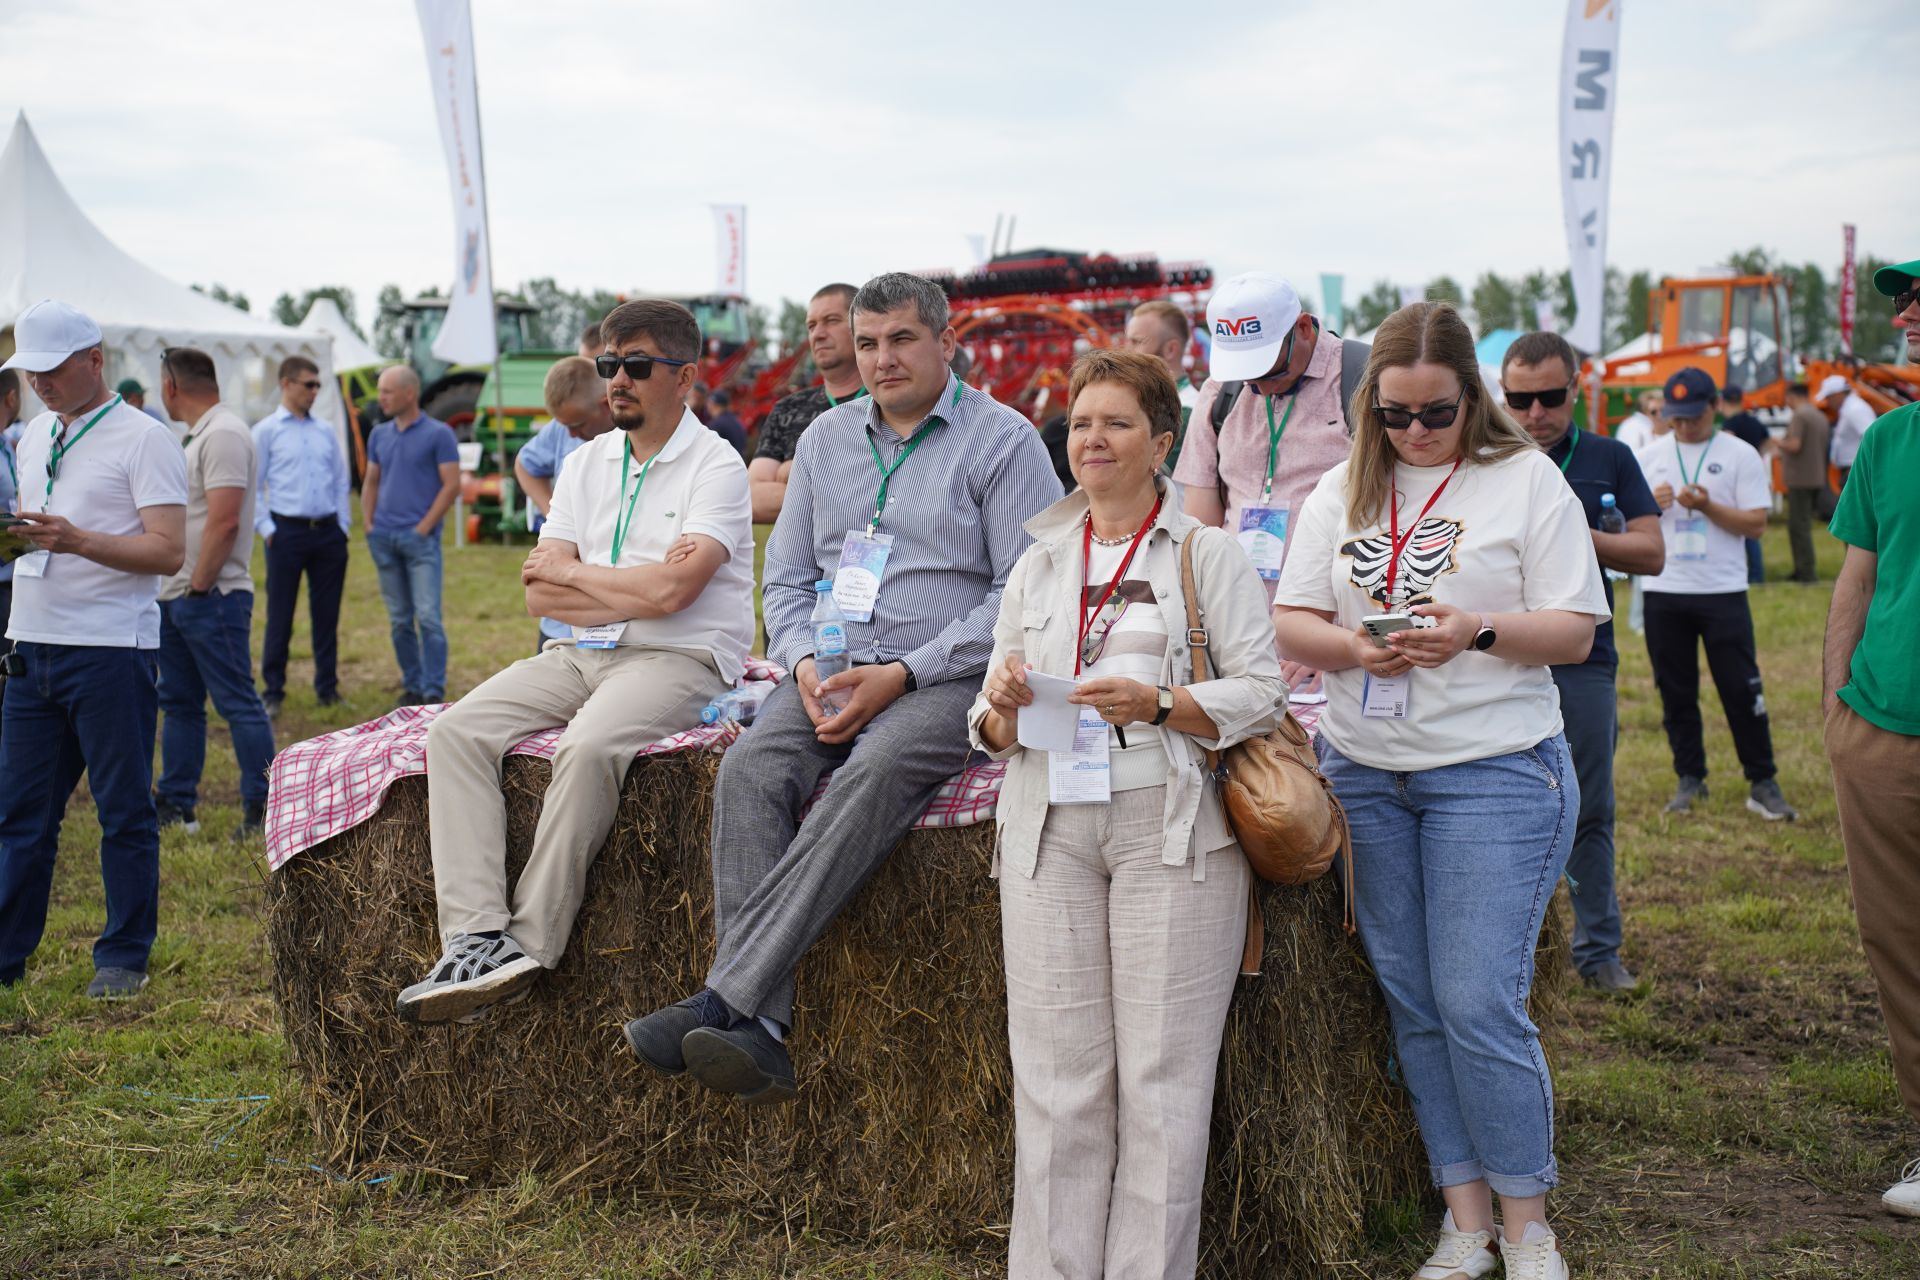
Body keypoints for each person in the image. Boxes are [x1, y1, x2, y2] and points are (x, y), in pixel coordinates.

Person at [622, 271, 1060, 1103]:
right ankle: (764, 1030)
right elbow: (784, 580)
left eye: (901, 339)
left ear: (946, 342)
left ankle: (726, 997)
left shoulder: (1004, 441)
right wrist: (802, 663)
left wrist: (902, 673)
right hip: (826, 665)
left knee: (877, 767)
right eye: (868, 343)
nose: (883, 358)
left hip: (947, 671)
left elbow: (1022, 593)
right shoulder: (824, 441)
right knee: (752, 771)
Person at [1272, 301, 1606, 1280]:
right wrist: (1356, 644)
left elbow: (1576, 630)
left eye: (1437, 412)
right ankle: (1464, 1218)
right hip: (1367, 771)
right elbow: (1292, 618)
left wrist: (1475, 631)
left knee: (1475, 996)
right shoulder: (1338, 490)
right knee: (1414, 998)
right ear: (1368, 404)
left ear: (1476, 397)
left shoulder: (1527, 482)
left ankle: (1529, 1221)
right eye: (1395, 413)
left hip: (1496, 770)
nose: (1415, 431)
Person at [969, 349, 1284, 1277]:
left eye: (1115, 422)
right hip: (1046, 824)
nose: (1093, 439)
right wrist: (1001, 711)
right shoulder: (1038, 561)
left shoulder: (1203, 553)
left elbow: (1261, 691)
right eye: (1079, 423)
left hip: (1169, 823)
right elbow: (984, 714)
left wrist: (1156, 706)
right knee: (1059, 1083)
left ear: (1162, 441)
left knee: (1160, 1085)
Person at [396, 299, 755, 1023]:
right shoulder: (588, 460)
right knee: (455, 731)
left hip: (681, 657)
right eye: (608, 364)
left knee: (588, 746)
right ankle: (472, 936)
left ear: (684, 377)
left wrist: (584, 577)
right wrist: (632, 587)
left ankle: (528, 946)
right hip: (579, 650)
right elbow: (540, 596)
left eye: (637, 366)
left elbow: (676, 592)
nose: (616, 379)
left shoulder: (717, 465)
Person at [0, 300, 187, 998]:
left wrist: (77, 540)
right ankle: (7, 955)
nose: (40, 384)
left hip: (110, 650)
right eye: (29, 372)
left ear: (95, 360)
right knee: (20, 815)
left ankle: (123, 956)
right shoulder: (31, 434)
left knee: (123, 811)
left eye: (51, 370)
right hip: (32, 645)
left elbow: (169, 551)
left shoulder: (144, 438)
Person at [1503, 331, 1665, 995]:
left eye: (1549, 397)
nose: (1535, 413)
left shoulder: (1608, 456)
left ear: (1576, 387)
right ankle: (1516, 953)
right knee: (1499, 808)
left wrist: (1575, 530)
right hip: (1499, 657)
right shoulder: (1487, 460)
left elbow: (1652, 552)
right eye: (1519, 399)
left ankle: (1598, 951)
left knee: (1589, 806)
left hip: (1584, 659)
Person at [1823, 254, 1920, 1218]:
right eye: (1904, 303)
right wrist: (1835, 714)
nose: (1908, 319)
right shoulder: (1891, 440)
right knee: (1902, 941)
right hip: (1884, 732)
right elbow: (1855, 579)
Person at [1172, 272, 1364, 704]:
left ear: (1303, 328)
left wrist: (1334, 641)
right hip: (1240, 642)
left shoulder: (1362, 380)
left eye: (1269, 369)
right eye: (1247, 375)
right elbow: (1199, 531)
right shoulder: (1221, 392)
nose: (1259, 386)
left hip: (1337, 645)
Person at [1635, 367, 1796, 821]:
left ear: (1713, 407)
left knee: (1742, 689)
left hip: (1722, 590)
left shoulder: (1740, 454)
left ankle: (1762, 780)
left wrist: (1707, 505)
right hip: (1665, 589)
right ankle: (1690, 778)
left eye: (1693, 417)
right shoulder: (1648, 456)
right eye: (1676, 418)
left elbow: (1756, 525)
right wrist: (1652, 504)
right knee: (1675, 690)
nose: (1684, 426)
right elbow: (1628, 522)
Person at [151, 347, 277, 840]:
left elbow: (224, 520)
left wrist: (199, 586)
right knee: (180, 703)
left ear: (170, 387)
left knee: (236, 703)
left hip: (210, 594)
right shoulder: (205, 433)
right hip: (185, 593)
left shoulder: (222, 433)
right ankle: (177, 803)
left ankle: (264, 807)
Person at [254, 355, 351, 718]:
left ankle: (327, 687)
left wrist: (343, 526)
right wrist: (267, 529)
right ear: (286, 383)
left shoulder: (325, 430)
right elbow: (254, 486)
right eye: (308, 384)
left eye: (317, 385)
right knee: (281, 613)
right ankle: (273, 690)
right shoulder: (266, 431)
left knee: (327, 615)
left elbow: (341, 480)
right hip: (286, 533)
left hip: (327, 533)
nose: (314, 391)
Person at [362, 367, 461, 708]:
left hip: (419, 541)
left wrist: (424, 527)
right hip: (383, 538)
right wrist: (369, 523)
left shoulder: (439, 434)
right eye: (381, 391)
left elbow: (452, 485)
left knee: (428, 616)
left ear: (409, 394)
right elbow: (371, 480)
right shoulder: (379, 435)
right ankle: (411, 684)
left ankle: (433, 689)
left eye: (387, 391)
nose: (381, 398)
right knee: (399, 619)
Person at [516, 356, 617, 652]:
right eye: (564, 426)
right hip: (559, 624)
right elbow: (525, 464)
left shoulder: (634, 438)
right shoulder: (562, 429)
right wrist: (554, 516)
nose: (570, 434)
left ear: (605, 403)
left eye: (577, 424)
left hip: (610, 618)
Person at [748, 283, 862, 524]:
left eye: (831, 321)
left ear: (862, 325)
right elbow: (752, 500)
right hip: (801, 561)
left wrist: (792, 473)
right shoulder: (788, 409)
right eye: (811, 325)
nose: (818, 334)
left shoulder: (886, 402)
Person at [1122, 299, 1199, 465]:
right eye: (1127, 341)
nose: (1126, 350)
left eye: (1137, 342)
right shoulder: (1165, 403)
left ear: (1170, 349)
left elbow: (1129, 481)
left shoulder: (1186, 411)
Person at [1778, 382, 1831, 585]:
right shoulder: (1818, 415)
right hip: (1816, 476)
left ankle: (1806, 573)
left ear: (1792, 396)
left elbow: (1794, 444)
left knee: (1798, 527)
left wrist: (1777, 443)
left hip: (1800, 479)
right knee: (1804, 525)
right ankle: (1804, 569)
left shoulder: (1800, 416)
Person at [1719, 385, 1772, 584]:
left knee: (1740, 526)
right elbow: (1769, 446)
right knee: (1753, 527)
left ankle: (1752, 574)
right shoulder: (1755, 421)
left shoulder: (1729, 424)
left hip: (1734, 480)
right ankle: (1757, 572)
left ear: (1723, 402)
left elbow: (1726, 449)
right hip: (1755, 477)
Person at [1820, 374, 1875, 491]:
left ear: (1837, 394)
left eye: (1828, 398)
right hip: (1852, 469)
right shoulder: (1850, 408)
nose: (1827, 402)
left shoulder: (1855, 409)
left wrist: (1861, 467)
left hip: (1854, 469)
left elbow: (1872, 438)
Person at [1613, 389, 1659, 454]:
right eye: (1655, 411)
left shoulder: (1626, 424)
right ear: (1645, 408)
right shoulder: (1647, 426)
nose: (1659, 414)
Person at [705, 388, 747, 456]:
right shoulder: (736, 421)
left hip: (725, 464)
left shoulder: (716, 424)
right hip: (738, 463)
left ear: (712, 404)